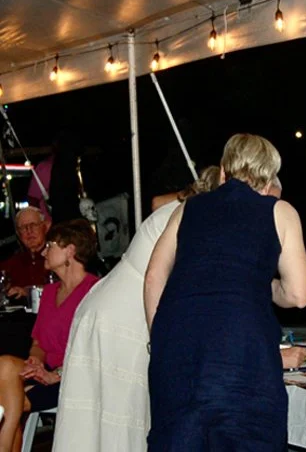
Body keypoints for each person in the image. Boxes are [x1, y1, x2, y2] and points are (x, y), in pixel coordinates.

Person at [145, 134, 306, 451]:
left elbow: (154, 275)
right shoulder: (279, 211)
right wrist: (268, 285)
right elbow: (299, 295)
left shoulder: (186, 209)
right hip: (241, 356)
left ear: (223, 172)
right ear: (269, 179)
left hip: (177, 351)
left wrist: (159, 337)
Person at [51, 166, 220, 452]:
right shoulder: (192, 217)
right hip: (127, 313)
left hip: (108, 301)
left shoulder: (176, 207)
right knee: (123, 408)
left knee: (96, 412)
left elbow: (156, 202)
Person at [0, 219, 99, 452]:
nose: (45, 250)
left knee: (7, 400)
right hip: (44, 374)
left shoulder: (94, 291)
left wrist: (55, 374)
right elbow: (38, 343)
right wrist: (35, 360)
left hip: (73, 378)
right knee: (5, 365)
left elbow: (92, 351)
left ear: (70, 251)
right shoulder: (50, 292)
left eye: (51, 245)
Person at [0, 208, 51, 301]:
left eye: (33, 225)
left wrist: (29, 292)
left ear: (45, 227)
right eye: (23, 227)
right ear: (18, 234)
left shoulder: (58, 258)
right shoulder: (11, 263)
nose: (29, 231)